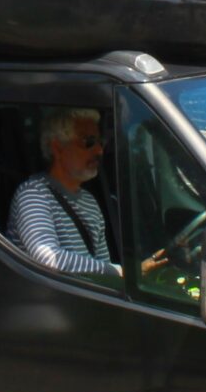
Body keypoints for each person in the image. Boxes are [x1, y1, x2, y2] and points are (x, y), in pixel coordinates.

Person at [10, 108, 165, 280]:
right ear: (57, 148)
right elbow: (48, 257)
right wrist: (123, 272)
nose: (99, 150)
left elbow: (104, 269)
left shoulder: (90, 202)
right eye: (88, 142)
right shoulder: (33, 194)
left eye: (100, 142)